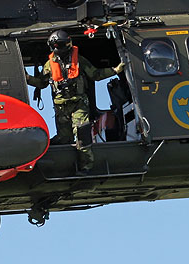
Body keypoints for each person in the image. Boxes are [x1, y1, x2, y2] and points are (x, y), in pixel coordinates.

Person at [26, 30, 125, 173]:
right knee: (64, 139)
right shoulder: (49, 64)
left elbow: (95, 74)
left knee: (82, 135)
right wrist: (28, 79)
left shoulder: (79, 61)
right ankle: (61, 165)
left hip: (79, 104)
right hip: (61, 107)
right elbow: (42, 83)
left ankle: (86, 167)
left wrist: (115, 70)